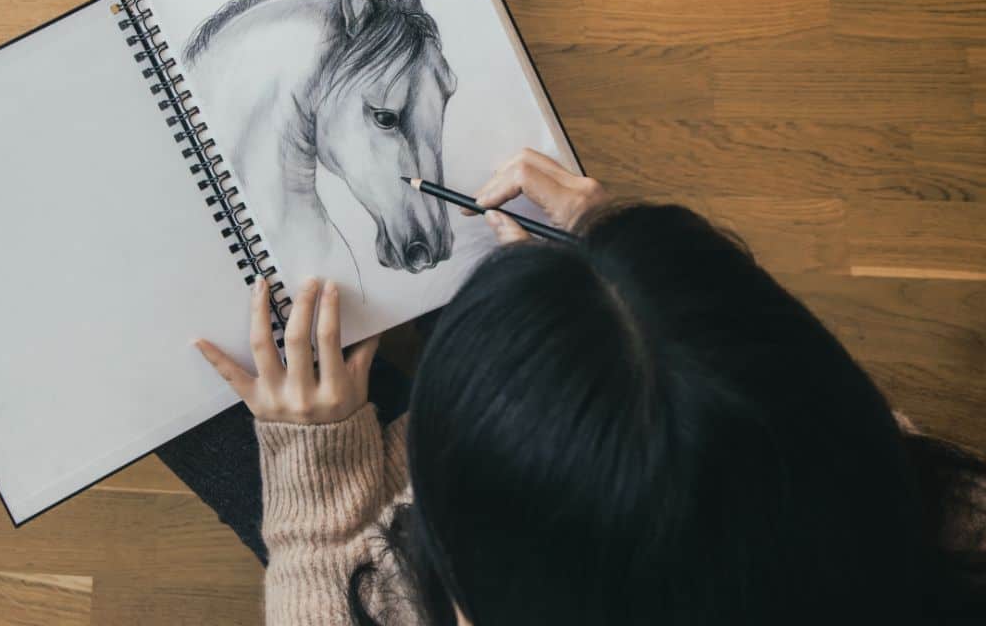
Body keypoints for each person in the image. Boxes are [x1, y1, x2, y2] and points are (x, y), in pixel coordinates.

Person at [195, 149, 986, 626]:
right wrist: (637, 279)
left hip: (389, 523)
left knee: (209, 422)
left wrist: (319, 477)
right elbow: (781, 400)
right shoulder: (941, 517)